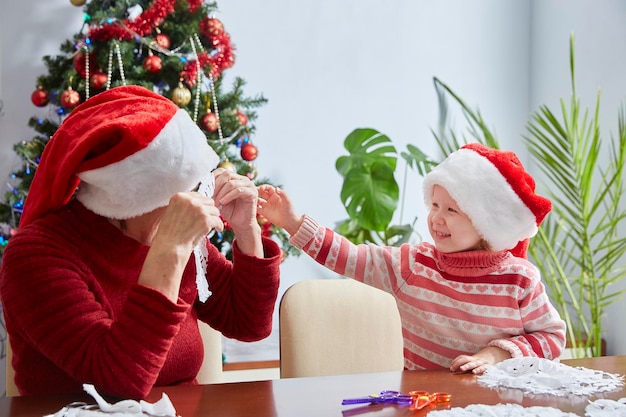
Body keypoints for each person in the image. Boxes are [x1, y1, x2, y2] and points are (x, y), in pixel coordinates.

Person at [0, 85, 281, 398]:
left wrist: (247, 230)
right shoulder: (36, 255)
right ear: (141, 195)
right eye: (191, 184)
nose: (202, 194)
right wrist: (169, 253)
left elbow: (248, 323)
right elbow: (119, 381)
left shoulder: (175, 234)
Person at [257, 143, 566, 375]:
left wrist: (495, 355)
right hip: (423, 403)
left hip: (495, 405)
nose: (436, 218)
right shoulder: (413, 265)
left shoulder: (519, 280)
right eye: (434, 205)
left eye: (451, 210)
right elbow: (350, 257)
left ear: (486, 223)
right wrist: (291, 222)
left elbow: (552, 338)